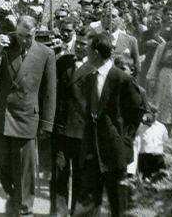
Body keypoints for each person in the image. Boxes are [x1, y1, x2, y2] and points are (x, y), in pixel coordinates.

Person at [0, 15, 56, 216]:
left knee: (25, 168)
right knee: (0, 161)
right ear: (16, 31)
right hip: (2, 116)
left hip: (26, 117)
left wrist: (47, 124)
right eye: (22, 36)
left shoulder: (46, 53)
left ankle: (25, 209)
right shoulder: (5, 47)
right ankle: (13, 196)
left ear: (36, 33)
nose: (25, 40)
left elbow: (50, 92)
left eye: (29, 36)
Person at [72, 33, 146, 217]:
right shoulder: (89, 77)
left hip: (114, 151)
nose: (86, 53)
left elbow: (137, 110)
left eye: (88, 50)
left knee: (117, 205)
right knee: (87, 203)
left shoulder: (121, 78)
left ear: (95, 52)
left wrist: (125, 139)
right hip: (91, 151)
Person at [50, 29, 89, 216]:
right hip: (63, 128)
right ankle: (59, 212)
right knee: (59, 172)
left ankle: (77, 213)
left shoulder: (97, 69)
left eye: (85, 44)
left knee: (81, 176)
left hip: (84, 131)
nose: (80, 47)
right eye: (78, 43)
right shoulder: (63, 63)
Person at [101, 7, 141, 78]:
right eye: (106, 16)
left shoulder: (131, 40)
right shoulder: (98, 39)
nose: (109, 19)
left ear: (120, 19)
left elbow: (136, 67)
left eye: (113, 16)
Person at [135, 109, 168, 181]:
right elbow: (134, 140)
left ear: (157, 114)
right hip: (144, 157)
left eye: (155, 112)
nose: (153, 114)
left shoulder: (162, 127)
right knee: (144, 180)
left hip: (158, 156)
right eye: (151, 112)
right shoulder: (140, 127)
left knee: (159, 180)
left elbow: (165, 141)